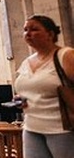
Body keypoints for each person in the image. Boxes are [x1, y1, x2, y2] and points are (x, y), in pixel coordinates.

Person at [14, 14, 74, 157]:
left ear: (50, 34)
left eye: (34, 29)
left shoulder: (65, 55)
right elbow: (29, 90)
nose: (28, 34)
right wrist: (19, 99)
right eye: (25, 29)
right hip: (31, 127)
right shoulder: (27, 62)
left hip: (62, 129)